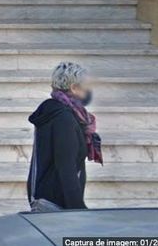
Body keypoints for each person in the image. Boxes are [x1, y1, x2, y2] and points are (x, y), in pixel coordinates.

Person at [26, 61, 103, 211]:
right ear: (74, 88)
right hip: (56, 205)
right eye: (86, 87)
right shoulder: (63, 119)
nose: (89, 91)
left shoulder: (56, 112)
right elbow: (66, 167)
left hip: (50, 198)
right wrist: (78, 209)